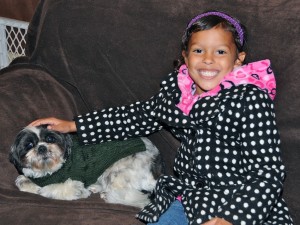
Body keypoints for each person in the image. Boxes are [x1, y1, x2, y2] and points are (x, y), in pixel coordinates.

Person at [30, 11, 293, 225]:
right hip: (193, 200)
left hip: (248, 206)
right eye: (199, 51)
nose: (208, 60)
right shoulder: (176, 97)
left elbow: (267, 173)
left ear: (238, 60)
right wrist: (73, 125)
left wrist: (232, 218)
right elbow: (132, 117)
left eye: (221, 52)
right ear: (185, 58)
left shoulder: (250, 100)